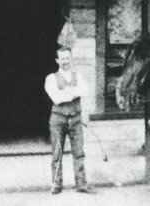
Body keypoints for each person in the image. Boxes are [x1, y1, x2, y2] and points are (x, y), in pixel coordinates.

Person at [44, 47, 92, 195]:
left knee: (79, 152)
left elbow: (85, 91)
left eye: (67, 58)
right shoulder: (51, 78)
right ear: (57, 60)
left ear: (71, 59)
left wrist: (67, 92)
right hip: (58, 119)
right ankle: (56, 185)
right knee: (57, 153)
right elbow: (57, 98)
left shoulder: (78, 75)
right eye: (62, 58)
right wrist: (73, 92)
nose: (65, 61)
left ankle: (81, 185)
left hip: (76, 118)